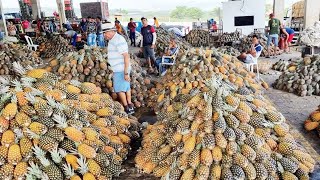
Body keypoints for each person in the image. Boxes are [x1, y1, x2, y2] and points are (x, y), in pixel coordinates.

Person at [102, 23, 134, 115]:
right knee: (126, 87)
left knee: (119, 89)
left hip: (120, 69)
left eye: (105, 33)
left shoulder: (118, 39)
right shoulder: (113, 39)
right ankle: (130, 105)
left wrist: (126, 72)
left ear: (111, 31)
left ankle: (126, 107)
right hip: (121, 69)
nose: (104, 35)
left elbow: (126, 56)